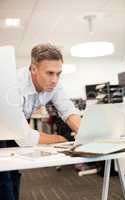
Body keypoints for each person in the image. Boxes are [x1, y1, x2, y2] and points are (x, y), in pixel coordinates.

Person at [0, 43, 81, 200]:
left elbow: (68, 110)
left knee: (15, 170)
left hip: (18, 121)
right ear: (34, 69)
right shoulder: (14, 85)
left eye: (58, 73)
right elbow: (26, 138)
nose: (55, 80)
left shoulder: (54, 83)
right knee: (3, 179)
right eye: (50, 73)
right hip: (0, 122)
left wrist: (85, 133)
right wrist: (62, 139)